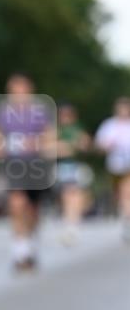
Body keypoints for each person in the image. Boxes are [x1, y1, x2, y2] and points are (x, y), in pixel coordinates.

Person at [0, 74, 56, 271]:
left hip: (36, 165)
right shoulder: (2, 112)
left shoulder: (40, 112)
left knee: (33, 210)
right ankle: (20, 252)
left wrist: (33, 144)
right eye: (14, 91)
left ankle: (31, 242)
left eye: (22, 90)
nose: (18, 95)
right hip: (14, 164)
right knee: (17, 204)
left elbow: (50, 137)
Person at [55, 103, 92, 244]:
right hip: (62, 167)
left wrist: (70, 147)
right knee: (66, 196)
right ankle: (69, 222)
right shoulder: (57, 130)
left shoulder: (77, 129)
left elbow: (85, 145)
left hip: (75, 167)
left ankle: (73, 223)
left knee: (74, 194)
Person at [95, 96, 130, 242]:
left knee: (127, 193)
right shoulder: (109, 125)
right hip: (115, 166)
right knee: (119, 196)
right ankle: (125, 218)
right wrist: (106, 146)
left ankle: (128, 224)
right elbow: (99, 145)